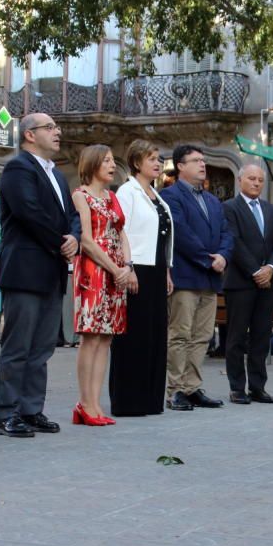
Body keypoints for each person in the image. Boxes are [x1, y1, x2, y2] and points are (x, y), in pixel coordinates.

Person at [0, 113, 79, 438]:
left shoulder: (56, 173)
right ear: (29, 135)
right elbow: (30, 212)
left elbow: (71, 215)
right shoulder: (18, 168)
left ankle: (31, 409)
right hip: (25, 270)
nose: (57, 132)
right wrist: (62, 242)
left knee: (42, 346)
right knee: (19, 345)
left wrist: (74, 237)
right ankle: (7, 413)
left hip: (52, 270)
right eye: (50, 128)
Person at [159, 144, 233, 411]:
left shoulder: (213, 200)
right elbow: (180, 233)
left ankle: (191, 387)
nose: (202, 165)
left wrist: (223, 256)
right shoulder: (170, 195)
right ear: (180, 166)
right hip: (186, 276)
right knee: (180, 334)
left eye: (203, 160)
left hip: (210, 279)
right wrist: (208, 259)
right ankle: (174, 389)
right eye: (196, 161)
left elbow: (226, 233)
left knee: (202, 336)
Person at [71, 144, 134, 426]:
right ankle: (85, 403)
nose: (112, 165)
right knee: (91, 336)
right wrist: (114, 268)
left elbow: (122, 233)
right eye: (106, 161)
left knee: (106, 337)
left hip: (116, 271)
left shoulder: (111, 196)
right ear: (93, 164)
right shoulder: (80, 196)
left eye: (112, 160)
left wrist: (127, 267)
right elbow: (86, 239)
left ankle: (96, 404)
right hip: (93, 271)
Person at [111, 139, 173, 417]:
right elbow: (121, 232)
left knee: (155, 336)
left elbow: (164, 237)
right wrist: (129, 266)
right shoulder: (128, 191)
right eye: (151, 158)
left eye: (159, 158)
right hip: (138, 270)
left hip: (158, 269)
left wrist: (168, 270)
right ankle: (128, 401)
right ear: (137, 162)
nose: (157, 163)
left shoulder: (157, 195)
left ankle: (150, 399)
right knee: (134, 337)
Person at [222, 164, 273, 405]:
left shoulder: (270, 210)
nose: (257, 183)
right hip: (241, 282)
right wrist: (256, 270)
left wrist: (270, 268)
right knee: (237, 337)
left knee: (262, 336)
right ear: (240, 181)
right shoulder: (229, 208)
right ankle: (237, 387)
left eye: (260, 179)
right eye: (252, 178)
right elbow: (234, 241)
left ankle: (258, 386)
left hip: (268, 283)